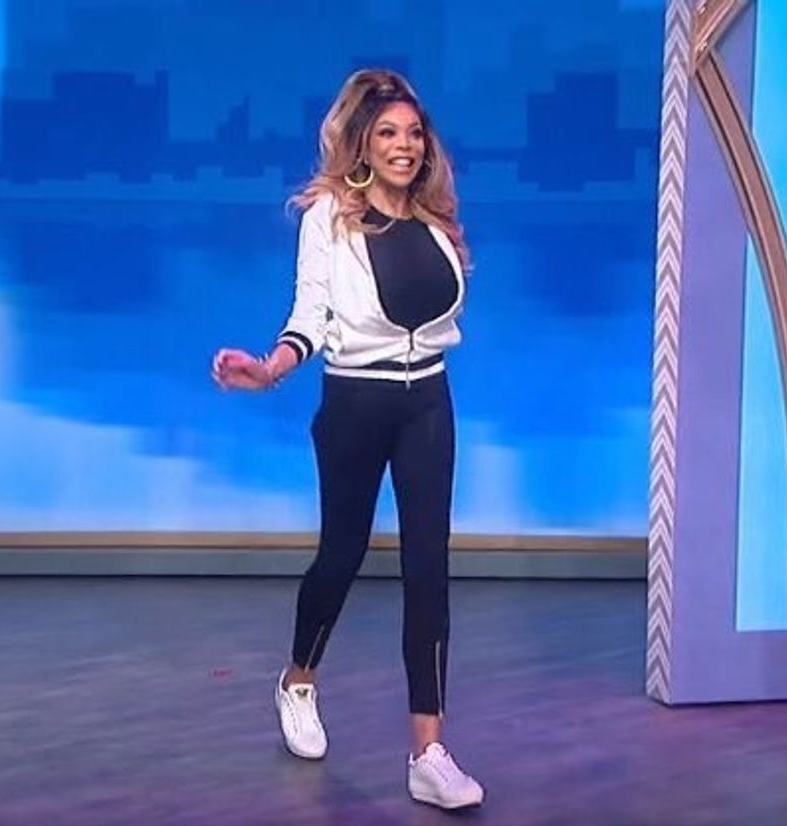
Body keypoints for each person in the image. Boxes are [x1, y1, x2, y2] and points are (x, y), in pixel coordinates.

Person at [211, 68, 484, 810]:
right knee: (343, 552)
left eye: (414, 133)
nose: (404, 145)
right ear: (363, 143)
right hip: (356, 402)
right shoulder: (329, 216)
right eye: (388, 133)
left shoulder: (434, 219)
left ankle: (428, 753)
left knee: (429, 566)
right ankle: (298, 680)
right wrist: (271, 369)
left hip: (428, 401)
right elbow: (310, 315)